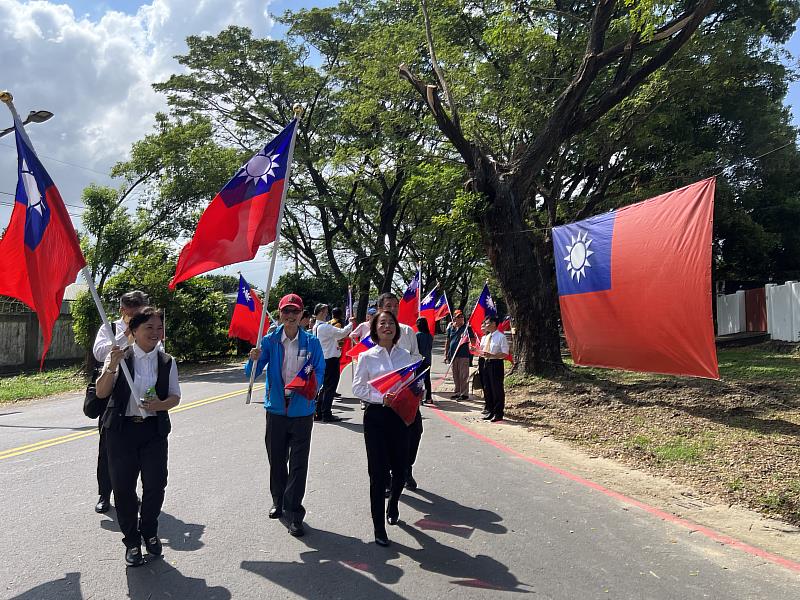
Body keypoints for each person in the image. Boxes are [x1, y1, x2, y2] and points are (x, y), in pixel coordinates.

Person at [95, 307, 181, 567]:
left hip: (153, 432)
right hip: (121, 433)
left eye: (159, 328)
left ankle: (150, 531)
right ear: (133, 331)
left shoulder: (167, 361)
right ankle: (132, 542)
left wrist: (160, 404)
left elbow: (175, 397)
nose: (155, 333)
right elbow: (100, 393)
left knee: (156, 485)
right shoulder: (120, 358)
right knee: (123, 490)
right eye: (149, 328)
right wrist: (110, 368)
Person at [246, 293, 325, 538]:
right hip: (277, 411)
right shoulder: (269, 341)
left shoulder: (312, 342)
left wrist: (310, 392)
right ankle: (278, 500)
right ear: (280, 314)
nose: (290, 316)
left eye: (295, 312)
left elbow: (320, 371)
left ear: (302, 315)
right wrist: (253, 359)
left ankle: (294, 513)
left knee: (299, 465)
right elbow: (253, 373)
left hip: (302, 411)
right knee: (277, 460)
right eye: (286, 312)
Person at [352, 310, 414, 547]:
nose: (387, 326)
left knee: (400, 471)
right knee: (377, 474)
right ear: (374, 329)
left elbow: (415, 385)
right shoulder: (367, 357)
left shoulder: (406, 356)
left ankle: (394, 503)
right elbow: (358, 389)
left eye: (391, 323)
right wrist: (380, 398)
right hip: (376, 417)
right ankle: (379, 527)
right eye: (382, 323)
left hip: (400, 417)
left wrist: (416, 393)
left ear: (396, 329)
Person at [91, 290, 150, 514]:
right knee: (107, 449)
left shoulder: (149, 327)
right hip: (112, 392)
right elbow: (98, 353)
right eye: (132, 313)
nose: (137, 317)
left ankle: (127, 491)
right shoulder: (111, 328)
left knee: (132, 450)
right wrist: (125, 335)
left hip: (137, 393)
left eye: (141, 312)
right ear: (123, 311)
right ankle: (104, 494)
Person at [376, 293, 422, 491]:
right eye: (389, 305)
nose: (393, 309)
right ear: (380, 309)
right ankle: (386, 477)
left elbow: (417, 356)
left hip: (406, 395)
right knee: (385, 439)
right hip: (383, 398)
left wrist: (406, 367)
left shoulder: (407, 331)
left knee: (414, 432)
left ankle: (405, 469)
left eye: (396, 306)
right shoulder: (373, 333)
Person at [312, 303, 356, 422]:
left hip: (324, 358)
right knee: (330, 387)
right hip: (330, 359)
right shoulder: (324, 327)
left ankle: (320, 411)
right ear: (321, 312)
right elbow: (342, 333)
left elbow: (336, 336)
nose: (327, 314)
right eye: (325, 311)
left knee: (325, 387)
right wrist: (351, 323)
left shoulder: (316, 327)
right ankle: (326, 413)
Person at [478, 316, 509, 423]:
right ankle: (490, 410)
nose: (485, 325)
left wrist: (493, 355)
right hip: (486, 363)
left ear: (494, 324)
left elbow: (505, 353)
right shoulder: (487, 337)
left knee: (496, 388)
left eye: (487, 323)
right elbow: (482, 350)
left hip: (496, 363)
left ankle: (498, 413)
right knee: (487, 388)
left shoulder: (501, 337)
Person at [445, 310, 474, 401]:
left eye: (462, 317)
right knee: (455, 375)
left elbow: (473, 340)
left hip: (463, 354)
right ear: (454, 318)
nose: (461, 318)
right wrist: (446, 354)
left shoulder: (467, 328)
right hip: (453, 355)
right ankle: (457, 392)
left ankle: (464, 393)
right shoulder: (451, 328)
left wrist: (466, 340)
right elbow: (448, 341)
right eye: (459, 317)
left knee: (463, 375)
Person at [415, 317, 433, 404]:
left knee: (419, 379)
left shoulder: (418, 335)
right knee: (427, 380)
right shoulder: (430, 336)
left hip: (420, 360)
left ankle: (419, 398)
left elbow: (416, 348)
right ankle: (428, 397)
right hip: (428, 360)